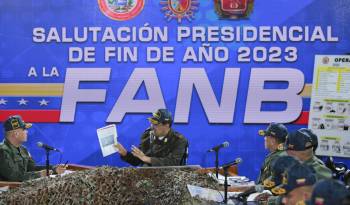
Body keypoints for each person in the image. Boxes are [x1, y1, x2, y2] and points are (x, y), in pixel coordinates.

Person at [0, 115, 66, 182]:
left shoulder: (23, 149)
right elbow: (13, 176)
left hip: (22, 188)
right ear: (16, 134)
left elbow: (32, 168)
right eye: (24, 129)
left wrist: (53, 169)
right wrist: (39, 175)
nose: (27, 132)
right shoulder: (2, 150)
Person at [115, 109, 188, 167]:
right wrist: (125, 154)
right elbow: (138, 160)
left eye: (156, 124)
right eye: (152, 123)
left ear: (166, 125)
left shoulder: (179, 140)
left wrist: (148, 159)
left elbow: (173, 162)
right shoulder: (147, 135)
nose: (152, 127)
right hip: (149, 177)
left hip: (171, 178)